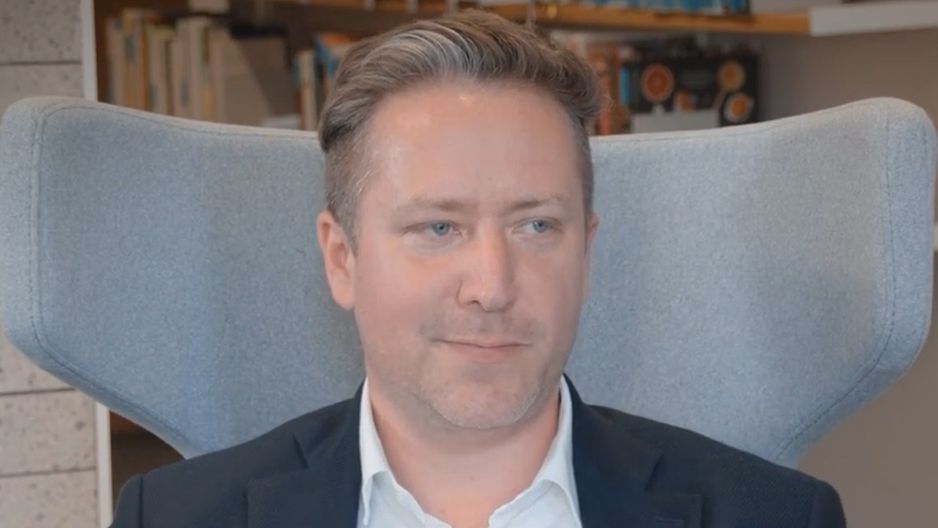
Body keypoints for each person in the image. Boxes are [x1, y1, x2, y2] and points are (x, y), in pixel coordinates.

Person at [109, 10, 846, 528]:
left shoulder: (777, 517)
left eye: (536, 225)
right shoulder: (172, 518)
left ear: (586, 252)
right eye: (438, 227)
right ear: (342, 259)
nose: (492, 287)